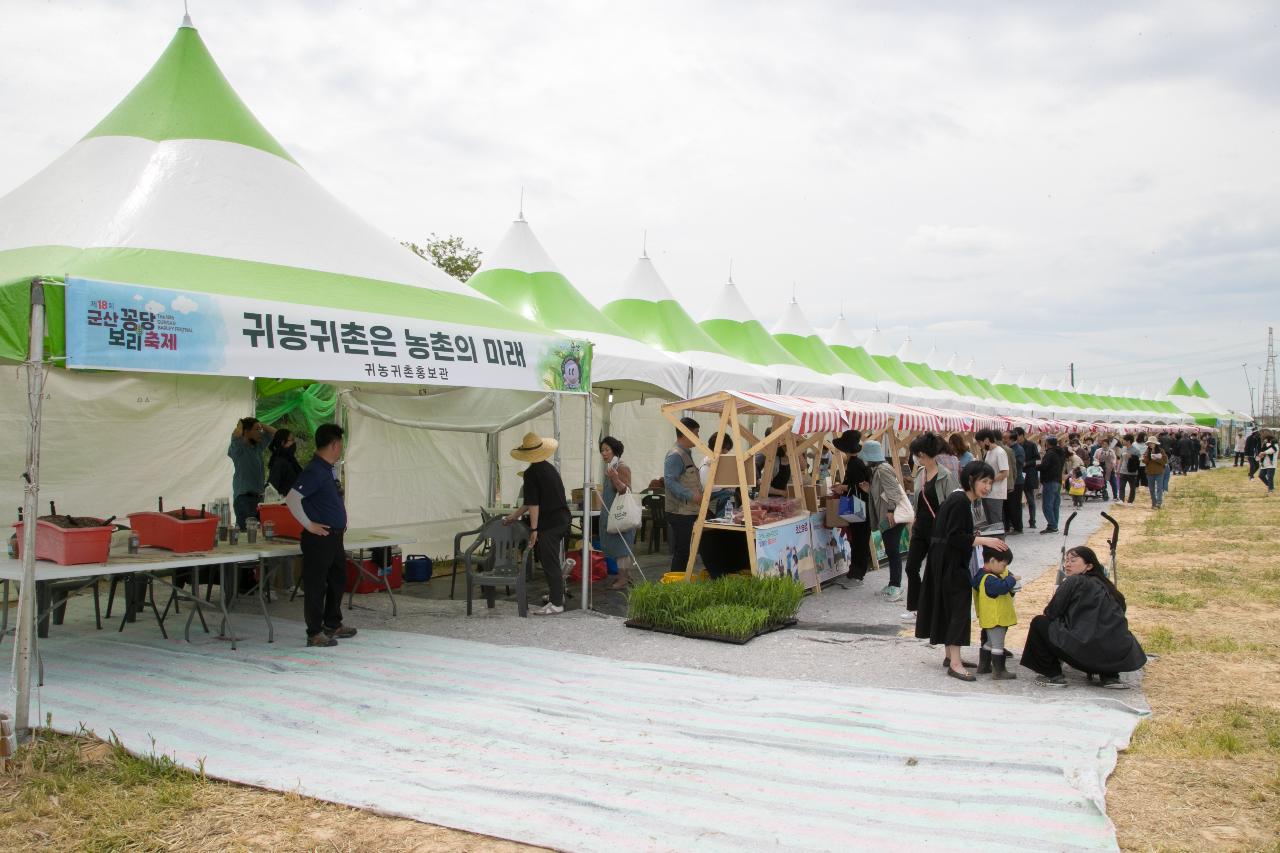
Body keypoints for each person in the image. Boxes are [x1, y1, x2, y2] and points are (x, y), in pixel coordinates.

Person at [915, 460, 1009, 681]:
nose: (987, 486)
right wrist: (985, 541)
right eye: (983, 481)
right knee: (957, 609)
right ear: (971, 480)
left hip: (945, 561)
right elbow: (956, 537)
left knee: (950, 607)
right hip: (950, 563)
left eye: (989, 482)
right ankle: (955, 663)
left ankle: (951, 656)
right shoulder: (959, 501)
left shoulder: (961, 499)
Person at [1021, 546, 1147, 687]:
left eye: (1073, 560)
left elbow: (1051, 613)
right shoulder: (1110, 587)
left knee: (1039, 622)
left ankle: (1052, 675)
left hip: (1084, 654)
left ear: (1089, 566)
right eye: (1066, 560)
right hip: (1116, 658)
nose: (1067, 564)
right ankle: (1110, 677)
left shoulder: (1073, 581)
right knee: (1110, 631)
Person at [285, 423, 353, 648]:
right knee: (316, 584)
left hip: (333, 536)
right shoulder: (315, 470)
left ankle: (332, 622)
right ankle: (314, 632)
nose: (341, 448)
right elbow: (293, 498)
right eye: (340, 444)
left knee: (337, 578)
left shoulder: (326, 469)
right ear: (334, 444)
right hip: (319, 537)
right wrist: (309, 524)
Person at [504, 431, 572, 615]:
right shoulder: (549, 469)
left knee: (549, 562)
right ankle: (557, 595)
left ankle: (557, 603)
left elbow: (534, 504)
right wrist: (514, 515)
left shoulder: (531, 473)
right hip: (561, 519)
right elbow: (529, 502)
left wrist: (534, 528)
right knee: (551, 560)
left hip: (550, 523)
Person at [902, 433, 958, 622]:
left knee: (935, 570)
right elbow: (918, 502)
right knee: (911, 567)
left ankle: (933, 606)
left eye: (917, 454)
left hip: (938, 529)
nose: (916, 458)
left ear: (923, 454)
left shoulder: (945, 476)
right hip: (921, 527)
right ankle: (916, 606)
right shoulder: (920, 473)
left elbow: (953, 504)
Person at [861, 439, 909, 602]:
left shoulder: (882, 470)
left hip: (892, 516)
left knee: (893, 551)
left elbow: (894, 491)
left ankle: (896, 586)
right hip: (889, 515)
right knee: (891, 550)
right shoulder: (880, 469)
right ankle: (892, 584)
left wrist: (890, 510)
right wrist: (869, 489)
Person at [830, 430, 872, 584]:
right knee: (860, 539)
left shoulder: (855, 464)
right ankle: (857, 570)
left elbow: (860, 486)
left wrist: (843, 488)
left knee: (859, 540)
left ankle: (857, 572)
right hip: (862, 507)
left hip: (858, 507)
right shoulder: (859, 461)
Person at [664, 417, 704, 575]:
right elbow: (670, 481)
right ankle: (675, 584)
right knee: (683, 550)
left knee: (687, 550)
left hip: (688, 511)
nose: (698, 437)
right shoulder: (675, 455)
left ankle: (682, 580)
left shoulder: (686, 453)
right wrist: (691, 495)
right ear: (686, 433)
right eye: (696, 433)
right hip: (680, 512)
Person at [973, 545, 1018, 680]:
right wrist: (1012, 579)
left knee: (990, 643)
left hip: (989, 617)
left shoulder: (981, 575)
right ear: (992, 561)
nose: (1005, 569)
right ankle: (999, 671)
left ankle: (984, 665)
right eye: (1004, 565)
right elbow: (1002, 588)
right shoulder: (989, 579)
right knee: (998, 644)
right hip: (996, 618)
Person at [599, 436, 637, 591]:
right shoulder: (610, 467)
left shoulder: (620, 467)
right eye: (602, 450)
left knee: (622, 548)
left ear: (615, 450)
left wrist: (614, 477)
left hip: (621, 514)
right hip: (613, 514)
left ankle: (623, 579)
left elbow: (625, 489)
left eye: (607, 449)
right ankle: (625, 576)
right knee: (618, 547)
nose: (604, 453)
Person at [228, 416, 277, 530]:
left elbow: (276, 433)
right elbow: (237, 433)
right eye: (256, 430)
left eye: (260, 430)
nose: (260, 432)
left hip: (258, 499)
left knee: (258, 535)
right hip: (244, 499)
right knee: (245, 535)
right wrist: (241, 424)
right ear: (246, 432)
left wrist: (260, 424)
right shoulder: (238, 448)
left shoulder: (257, 447)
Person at [975, 429, 1008, 530]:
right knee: (990, 523)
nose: (979, 445)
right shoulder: (988, 452)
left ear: (986, 440)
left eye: (979, 442)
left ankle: (1000, 544)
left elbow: (1005, 473)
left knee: (996, 522)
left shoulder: (1000, 452)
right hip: (987, 492)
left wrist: (989, 481)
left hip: (996, 493)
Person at [698, 433, 737, 518]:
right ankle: (723, 521)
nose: (726, 452)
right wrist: (726, 485)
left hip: (718, 493)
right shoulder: (707, 463)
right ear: (719, 448)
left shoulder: (716, 461)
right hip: (712, 496)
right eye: (725, 449)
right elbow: (708, 486)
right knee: (728, 496)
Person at [1038, 436, 1064, 534]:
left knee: (1047, 505)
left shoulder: (1050, 453)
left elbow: (1044, 466)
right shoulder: (1060, 452)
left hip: (1050, 481)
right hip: (1058, 481)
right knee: (1055, 505)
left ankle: (1052, 526)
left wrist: (1035, 466)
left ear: (1048, 443)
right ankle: (1054, 525)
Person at [267, 429, 303, 498]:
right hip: (285, 505)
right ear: (283, 443)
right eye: (291, 440)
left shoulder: (290, 460)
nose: (294, 443)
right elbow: (272, 488)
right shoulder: (279, 463)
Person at [1003, 431, 1025, 534]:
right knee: (1008, 505)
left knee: (1015, 505)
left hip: (1017, 481)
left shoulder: (1018, 449)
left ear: (1011, 439)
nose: (1004, 440)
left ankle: (1018, 527)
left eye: (1005, 438)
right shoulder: (1010, 449)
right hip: (1012, 481)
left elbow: (1019, 464)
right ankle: (1009, 526)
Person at [1018, 430, 1040, 529]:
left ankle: (1032, 521)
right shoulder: (1014, 446)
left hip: (1029, 475)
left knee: (1030, 499)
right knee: (1017, 500)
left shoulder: (1031, 445)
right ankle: (1017, 522)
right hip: (1018, 475)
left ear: (1022, 435)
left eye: (1017, 436)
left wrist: (1027, 463)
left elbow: (1038, 460)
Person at [1142, 437, 1168, 508]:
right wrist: (1146, 458)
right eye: (1149, 443)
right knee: (1151, 489)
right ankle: (1154, 503)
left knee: (1159, 488)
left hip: (1159, 471)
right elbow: (1144, 461)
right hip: (1149, 472)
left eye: (1151, 443)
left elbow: (1165, 461)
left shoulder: (1161, 451)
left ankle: (1159, 503)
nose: (1150, 444)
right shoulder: (1147, 451)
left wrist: (1156, 458)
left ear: (1155, 444)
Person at [1118, 435, 1141, 503]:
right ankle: (1121, 500)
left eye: (1124, 440)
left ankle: (1130, 501)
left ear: (1128, 441)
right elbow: (1121, 459)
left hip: (1132, 472)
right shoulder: (1123, 448)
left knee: (1132, 488)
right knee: (1121, 487)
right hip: (1123, 471)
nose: (1123, 441)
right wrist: (1118, 469)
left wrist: (1131, 456)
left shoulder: (1135, 450)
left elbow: (1139, 460)